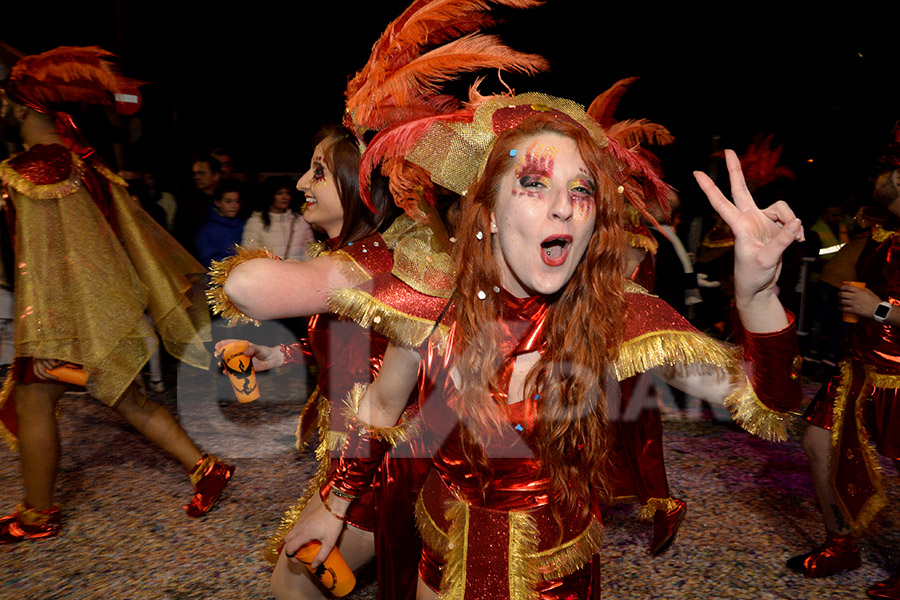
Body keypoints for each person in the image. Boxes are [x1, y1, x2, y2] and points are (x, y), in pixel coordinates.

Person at [278, 94, 804, 598]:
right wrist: (333, 508)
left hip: (553, 578)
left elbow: (767, 402)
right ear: (485, 211)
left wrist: (757, 298)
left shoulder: (617, 316)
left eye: (581, 190)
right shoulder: (435, 307)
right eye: (533, 183)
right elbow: (379, 406)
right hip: (443, 564)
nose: (564, 209)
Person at [0, 46, 233, 543]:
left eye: (5, 100)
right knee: (125, 397)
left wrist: (47, 336)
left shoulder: (34, 171)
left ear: (23, 107)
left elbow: (50, 263)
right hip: (95, 312)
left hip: (66, 319)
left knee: (34, 399)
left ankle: (38, 515)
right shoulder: (77, 162)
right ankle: (206, 467)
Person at [209, 125, 403, 599]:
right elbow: (352, 350)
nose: (299, 183)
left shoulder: (367, 265)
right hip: (360, 449)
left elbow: (242, 287)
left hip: (387, 458)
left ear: (361, 187)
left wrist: (340, 498)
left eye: (318, 172)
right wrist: (275, 355)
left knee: (296, 584)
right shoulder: (346, 256)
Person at [786, 125, 900, 599]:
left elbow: (875, 301)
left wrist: (878, 307)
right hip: (859, 365)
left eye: (889, 169)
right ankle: (840, 543)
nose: (880, 178)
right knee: (816, 441)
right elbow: (835, 271)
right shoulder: (880, 230)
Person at [241, 175, 314, 260]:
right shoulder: (256, 223)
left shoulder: (301, 221)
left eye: (288, 193)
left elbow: (310, 252)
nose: (285, 197)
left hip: (298, 271)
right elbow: (249, 255)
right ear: (269, 195)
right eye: (279, 193)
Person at [195, 180, 245, 267]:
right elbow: (208, 259)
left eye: (237, 201)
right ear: (217, 202)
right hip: (219, 275)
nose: (234, 206)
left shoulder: (244, 225)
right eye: (228, 201)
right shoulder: (207, 230)